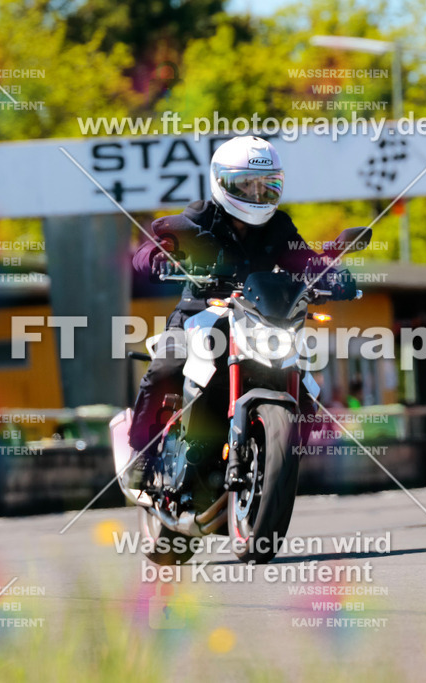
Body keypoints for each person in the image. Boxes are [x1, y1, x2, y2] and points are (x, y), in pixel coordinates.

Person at [127, 136, 356, 489]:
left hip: (257, 317)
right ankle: (143, 452)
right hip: (200, 313)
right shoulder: (201, 216)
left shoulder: (279, 227)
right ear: (221, 182)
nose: (256, 192)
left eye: (266, 185)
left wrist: (331, 276)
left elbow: (305, 261)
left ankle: (273, 461)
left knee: (307, 392)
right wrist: (159, 256)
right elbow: (158, 244)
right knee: (166, 368)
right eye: (246, 184)